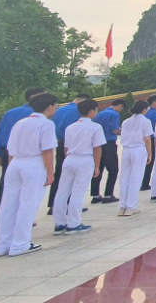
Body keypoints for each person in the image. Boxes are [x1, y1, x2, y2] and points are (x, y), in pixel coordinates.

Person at [0, 92, 58, 256]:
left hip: (15, 162)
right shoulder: (46, 124)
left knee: (8, 205)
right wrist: (50, 173)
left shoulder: (20, 123)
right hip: (34, 163)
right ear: (49, 106)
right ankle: (20, 243)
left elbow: (10, 149)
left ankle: (3, 244)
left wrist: (11, 167)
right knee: (28, 204)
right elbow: (47, 150)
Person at [52, 98, 104, 235]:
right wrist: (97, 166)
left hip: (69, 159)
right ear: (92, 111)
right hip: (84, 159)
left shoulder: (71, 127)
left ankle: (59, 223)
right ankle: (74, 223)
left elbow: (66, 147)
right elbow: (97, 149)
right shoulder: (95, 127)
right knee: (78, 192)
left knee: (62, 191)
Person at [0, 87, 46, 224]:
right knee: (28, 189)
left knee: (6, 187)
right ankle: (23, 219)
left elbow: (1, 133)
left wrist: (1, 154)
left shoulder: (11, 113)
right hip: (30, 157)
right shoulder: (38, 116)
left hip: (10, 153)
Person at [48, 93, 90, 214]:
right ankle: (73, 204)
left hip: (60, 143)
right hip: (74, 146)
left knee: (60, 173)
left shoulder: (59, 110)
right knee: (74, 176)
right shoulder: (78, 111)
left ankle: (53, 204)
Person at [117, 99, 153, 217]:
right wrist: (150, 153)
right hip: (138, 149)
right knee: (135, 177)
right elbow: (147, 139)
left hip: (127, 149)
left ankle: (122, 206)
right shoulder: (145, 121)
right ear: (144, 109)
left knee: (124, 178)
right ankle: (131, 206)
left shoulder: (126, 121)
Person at [90, 99, 122, 205]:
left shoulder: (99, 113)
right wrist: (122, 130)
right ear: (119, 106)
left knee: (98, 168)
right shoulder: (115, 114)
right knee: (113, 170)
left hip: (98, 144)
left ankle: (95, 195)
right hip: (109, 144)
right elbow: (114, 130)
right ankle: (108, 194)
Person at [140, 94, 156, 191]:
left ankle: (140, 182)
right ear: (154, 103)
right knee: (149, 162)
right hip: (151, 140)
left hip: (140, 141)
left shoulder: (145, 113)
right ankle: (145, 183)